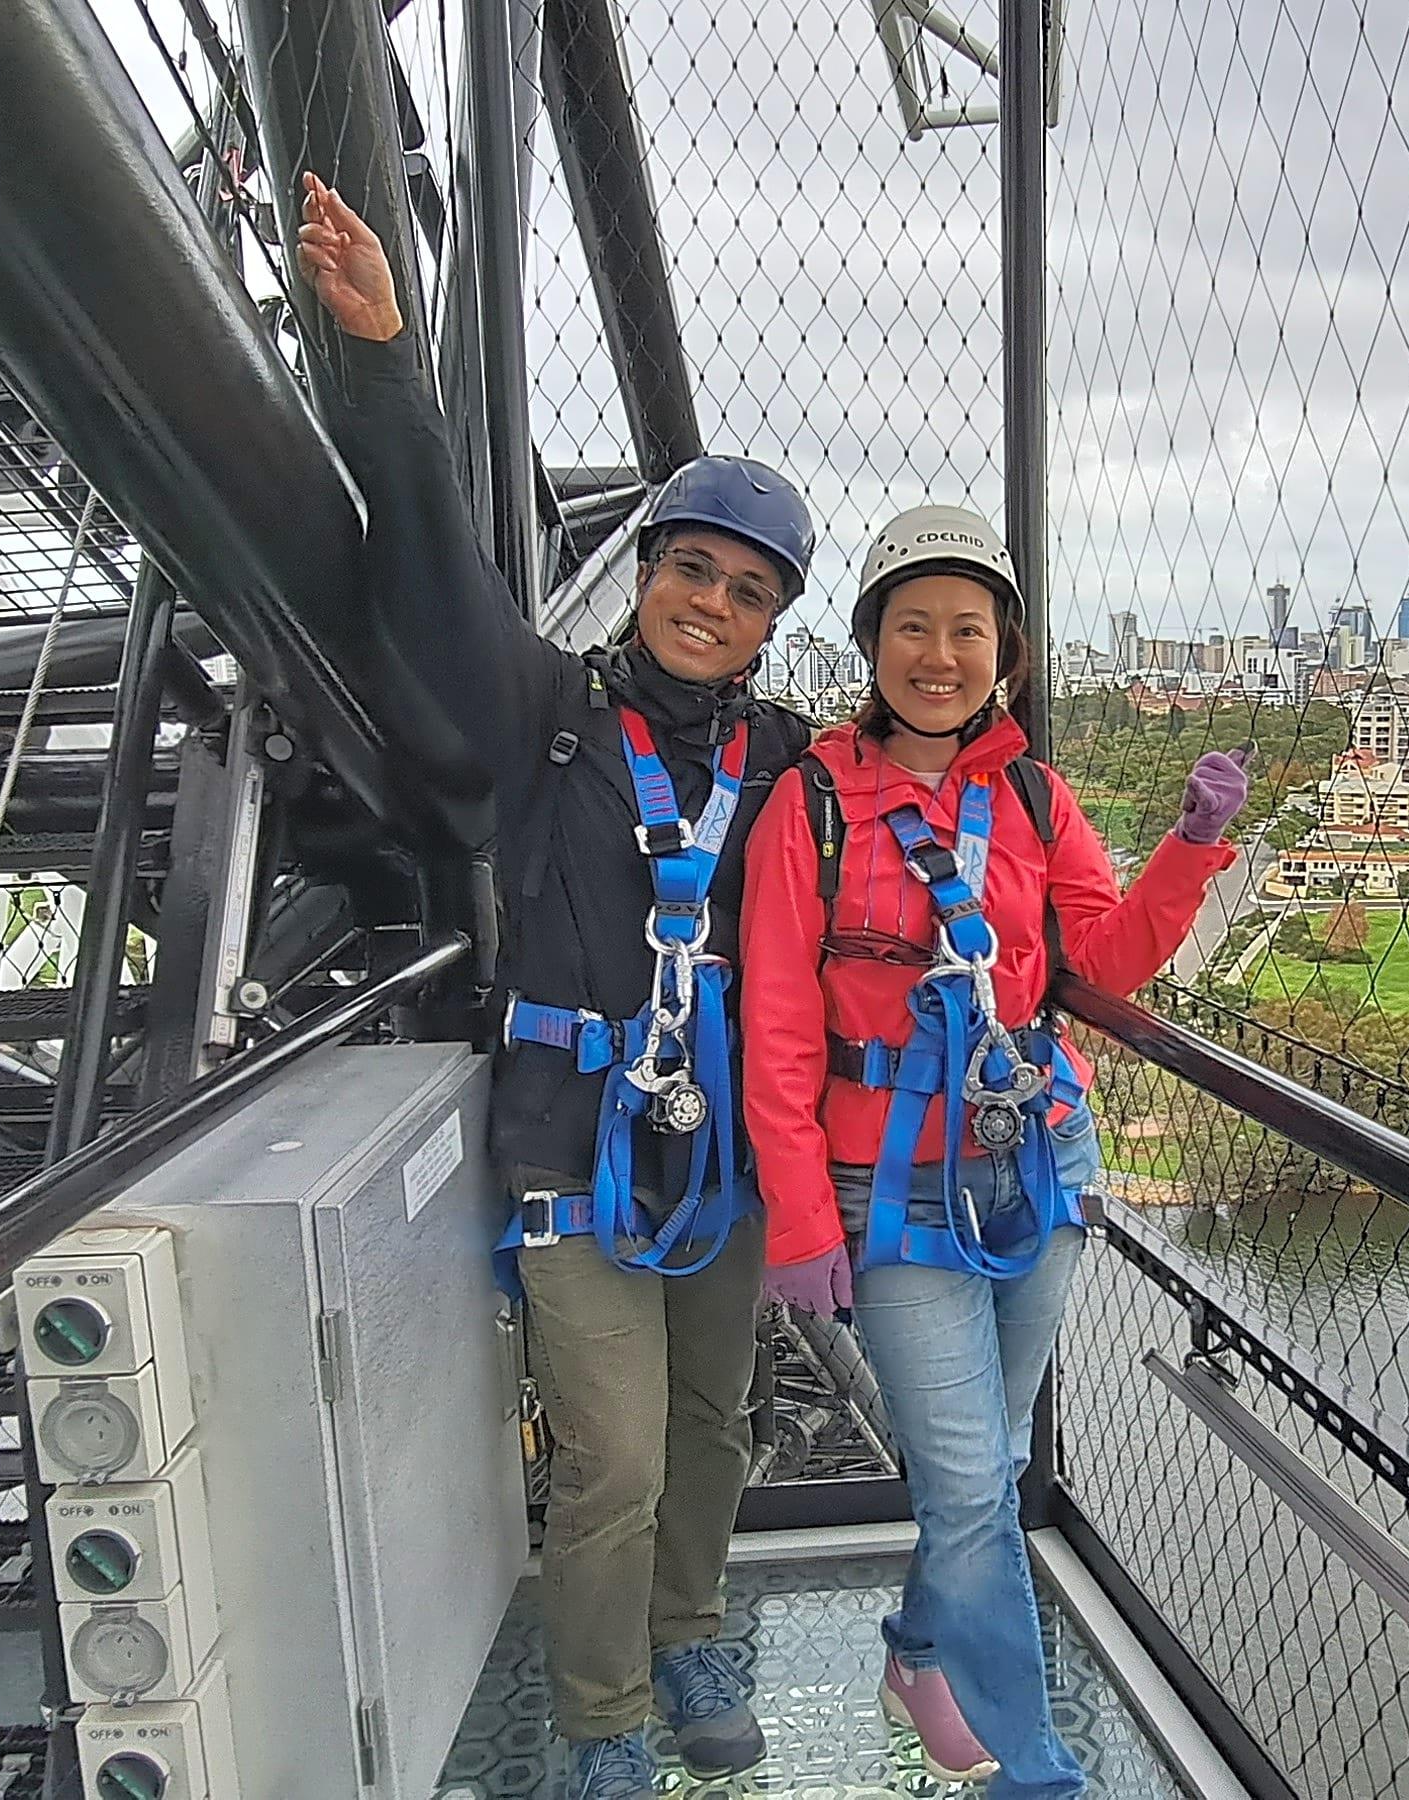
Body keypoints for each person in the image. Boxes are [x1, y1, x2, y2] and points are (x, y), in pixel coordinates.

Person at [296, 173, 814, 1799]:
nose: (709, 605)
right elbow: (437, 579)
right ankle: (600, 1720)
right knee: (614, 1455)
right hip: (577, 1141)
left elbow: (913, 851)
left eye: (747, 593)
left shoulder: (792, 765)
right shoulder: (548, 720)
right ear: (651, 567)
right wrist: (387, 366)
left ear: (769, 627)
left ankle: (690, 1632)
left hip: (717, 1149)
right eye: (693, 570)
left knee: (720, 1426)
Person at [736, 506, 1246, 1795]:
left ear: (1004, 655)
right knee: (969, 1487)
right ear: (871, 643)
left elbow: (1104, 964)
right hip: (891, 1183)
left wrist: (1187, 853)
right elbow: (780, 1024)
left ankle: (921, 1649)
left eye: (970, 629)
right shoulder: (811, 805)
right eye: (915, 625)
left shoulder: (1030, 794)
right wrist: (799, 1218)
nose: (942, 653)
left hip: (1034, 1165)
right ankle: (1036, 1768)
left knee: (994, 1466)